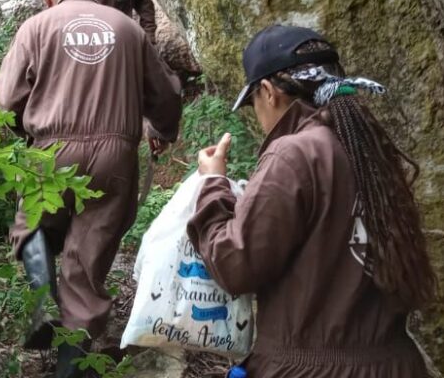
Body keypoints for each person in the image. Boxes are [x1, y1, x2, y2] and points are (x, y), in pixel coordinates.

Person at [187, 25, 437, 377]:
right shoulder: (368, 147)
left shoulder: (294, 154)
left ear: (268, 92)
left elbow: (235, 264)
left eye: (254, 104)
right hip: (396, 364)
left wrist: (213, 183)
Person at [0, 0, 182, 377]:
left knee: (32, 229)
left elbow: (7, 98)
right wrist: (163, 131)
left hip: (51, 148)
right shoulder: (127, 27)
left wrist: (27, 131)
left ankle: (43, 306)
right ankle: (70, 366)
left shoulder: (36, 27)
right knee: (86, 259)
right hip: (115, 153)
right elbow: (166, 95)